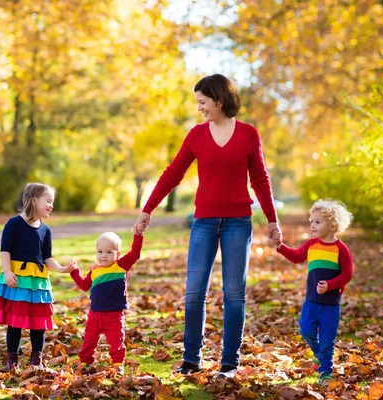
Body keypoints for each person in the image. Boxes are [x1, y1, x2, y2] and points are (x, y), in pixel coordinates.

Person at [133, 74, 281, 379]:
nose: (199, 107)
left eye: (203, 101)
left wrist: (271, 220)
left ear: (220, 100)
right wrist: (148, 209)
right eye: (198, 102)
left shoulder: (249, 134)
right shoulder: (196, 135)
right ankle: (191, 360)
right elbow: (172, 174)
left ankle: (229, 363)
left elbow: (261, 180)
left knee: (234, 293)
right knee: (194, 293)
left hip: (239, 223)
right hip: (204, 222)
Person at [0, 183, 75, 371]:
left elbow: (47, 257)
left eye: (52, 202)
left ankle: (36, 361)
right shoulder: (14, 224)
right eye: (48, 201)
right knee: (15, 322)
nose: (51, 205)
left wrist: (63, 269)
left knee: (38, 323)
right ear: (33, 199)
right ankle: (12, 361)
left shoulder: (46, 230)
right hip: (18, 280)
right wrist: (7, 272)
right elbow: (4, 250)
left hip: (38, 283)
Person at [273, 199, 353, 385]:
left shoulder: (341, 249)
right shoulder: (311, 244)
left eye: (317, 222)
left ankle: (325, 371)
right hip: (311, 301)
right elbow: (296, 257)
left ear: (332, 225)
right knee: (306, 330)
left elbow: (347, 274)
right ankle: (320, 355)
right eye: (311, 221)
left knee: (327, 340)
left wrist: (331, 285)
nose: (312, 225)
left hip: (331, 304)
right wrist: (280, 247)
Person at [69, 231, 144, 376]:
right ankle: (85, 362)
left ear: (118, 253)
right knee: (89, 340)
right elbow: (84, 285)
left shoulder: (121, 266)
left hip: (113, 315)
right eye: (100, 251)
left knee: (116, 341)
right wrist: (75, 273)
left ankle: (117, 364)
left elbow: (135, 253)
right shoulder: (94, 272)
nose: (103, 255)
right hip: (94, 314)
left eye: (109, 252)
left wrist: (138, 236)